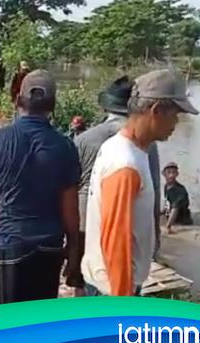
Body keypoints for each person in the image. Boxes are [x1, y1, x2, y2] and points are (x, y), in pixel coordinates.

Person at [81, 69, 199, 297]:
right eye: (175, 114)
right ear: (156, 111)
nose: (176, 122)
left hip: (107, 284)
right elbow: (116, 240)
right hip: (112, 290)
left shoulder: (126, 148)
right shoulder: (126, 163)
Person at [0, 70, 82, 304]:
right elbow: (70, 208)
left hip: (10, 243)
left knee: (6, 324)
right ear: (52, 105)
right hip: (50, 247)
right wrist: (73, 248)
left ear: (18, 99)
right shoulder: (65, 146)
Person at [71, 77, 164, 293]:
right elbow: (155, 189)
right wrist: (156, 235)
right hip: (129, 233)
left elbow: (71, 185)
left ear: (106, 106)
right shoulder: (144, 143)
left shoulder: (85, 138)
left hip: (87, 220)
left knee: (85, 277)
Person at [163, 162, 193, 233]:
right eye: (169, 172)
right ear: (164, 174)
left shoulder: (180, 190)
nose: (171, 175)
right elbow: (168, 203)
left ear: (177, 174)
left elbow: (175, 209)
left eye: (173, 172)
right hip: (171, 215)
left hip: (181, 220)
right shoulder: (166, 186)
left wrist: (168, 226)